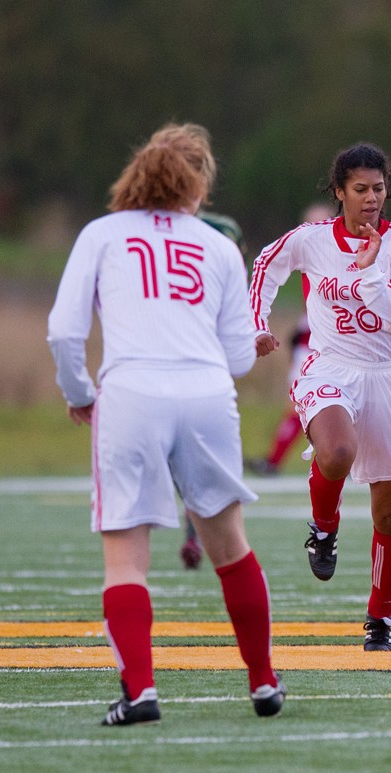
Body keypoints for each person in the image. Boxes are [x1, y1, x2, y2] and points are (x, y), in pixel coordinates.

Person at [47, 122, 285, 723]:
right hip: (206, 393)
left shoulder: (101, 233)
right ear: (197, 187)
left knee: (126, 557)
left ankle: (141, 690)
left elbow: (63, 331)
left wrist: (79, 392)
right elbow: (236, 357)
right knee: (231, 547)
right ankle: (262, 683)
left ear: (135, 177)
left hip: (131, 393)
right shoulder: (219, 246)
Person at [249, 143, 391, 651]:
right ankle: (323, 527)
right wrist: (255, 325)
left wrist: (370, 272)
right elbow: (266, 266)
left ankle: (380, 619)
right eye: (361, 189)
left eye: (379, 189)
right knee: (337, 451)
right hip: (330, 366)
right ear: (339, 192)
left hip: (388, 377)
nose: (372, 198)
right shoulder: (312, 240)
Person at [179, 208, 249, 571]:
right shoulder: (135, 224)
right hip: (171, 354)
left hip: (208, 358)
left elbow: (240, 293)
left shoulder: (223, 229)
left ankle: (195, 534)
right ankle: (199, 533)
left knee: (203, 456)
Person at [244, 202, 334, 477]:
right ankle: (278, 460)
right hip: (311, 342)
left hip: (326, 346)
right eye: (307, 224)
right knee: (301, 405)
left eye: (319, 223)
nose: (311, 230)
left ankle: (277, 461)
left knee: (303, 406)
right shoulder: (306, 250)